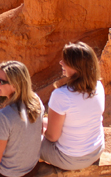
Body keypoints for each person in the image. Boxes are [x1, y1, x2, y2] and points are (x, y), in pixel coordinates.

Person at [41, 42, 105, 170]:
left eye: (65, 61)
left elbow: (53, 137)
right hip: (96, 150)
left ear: (76, 67)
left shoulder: (61, 95)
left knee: (26, 136)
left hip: (71, 159)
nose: (61, 63)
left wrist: (42, 133)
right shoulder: (98, 86)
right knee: (41, 122)